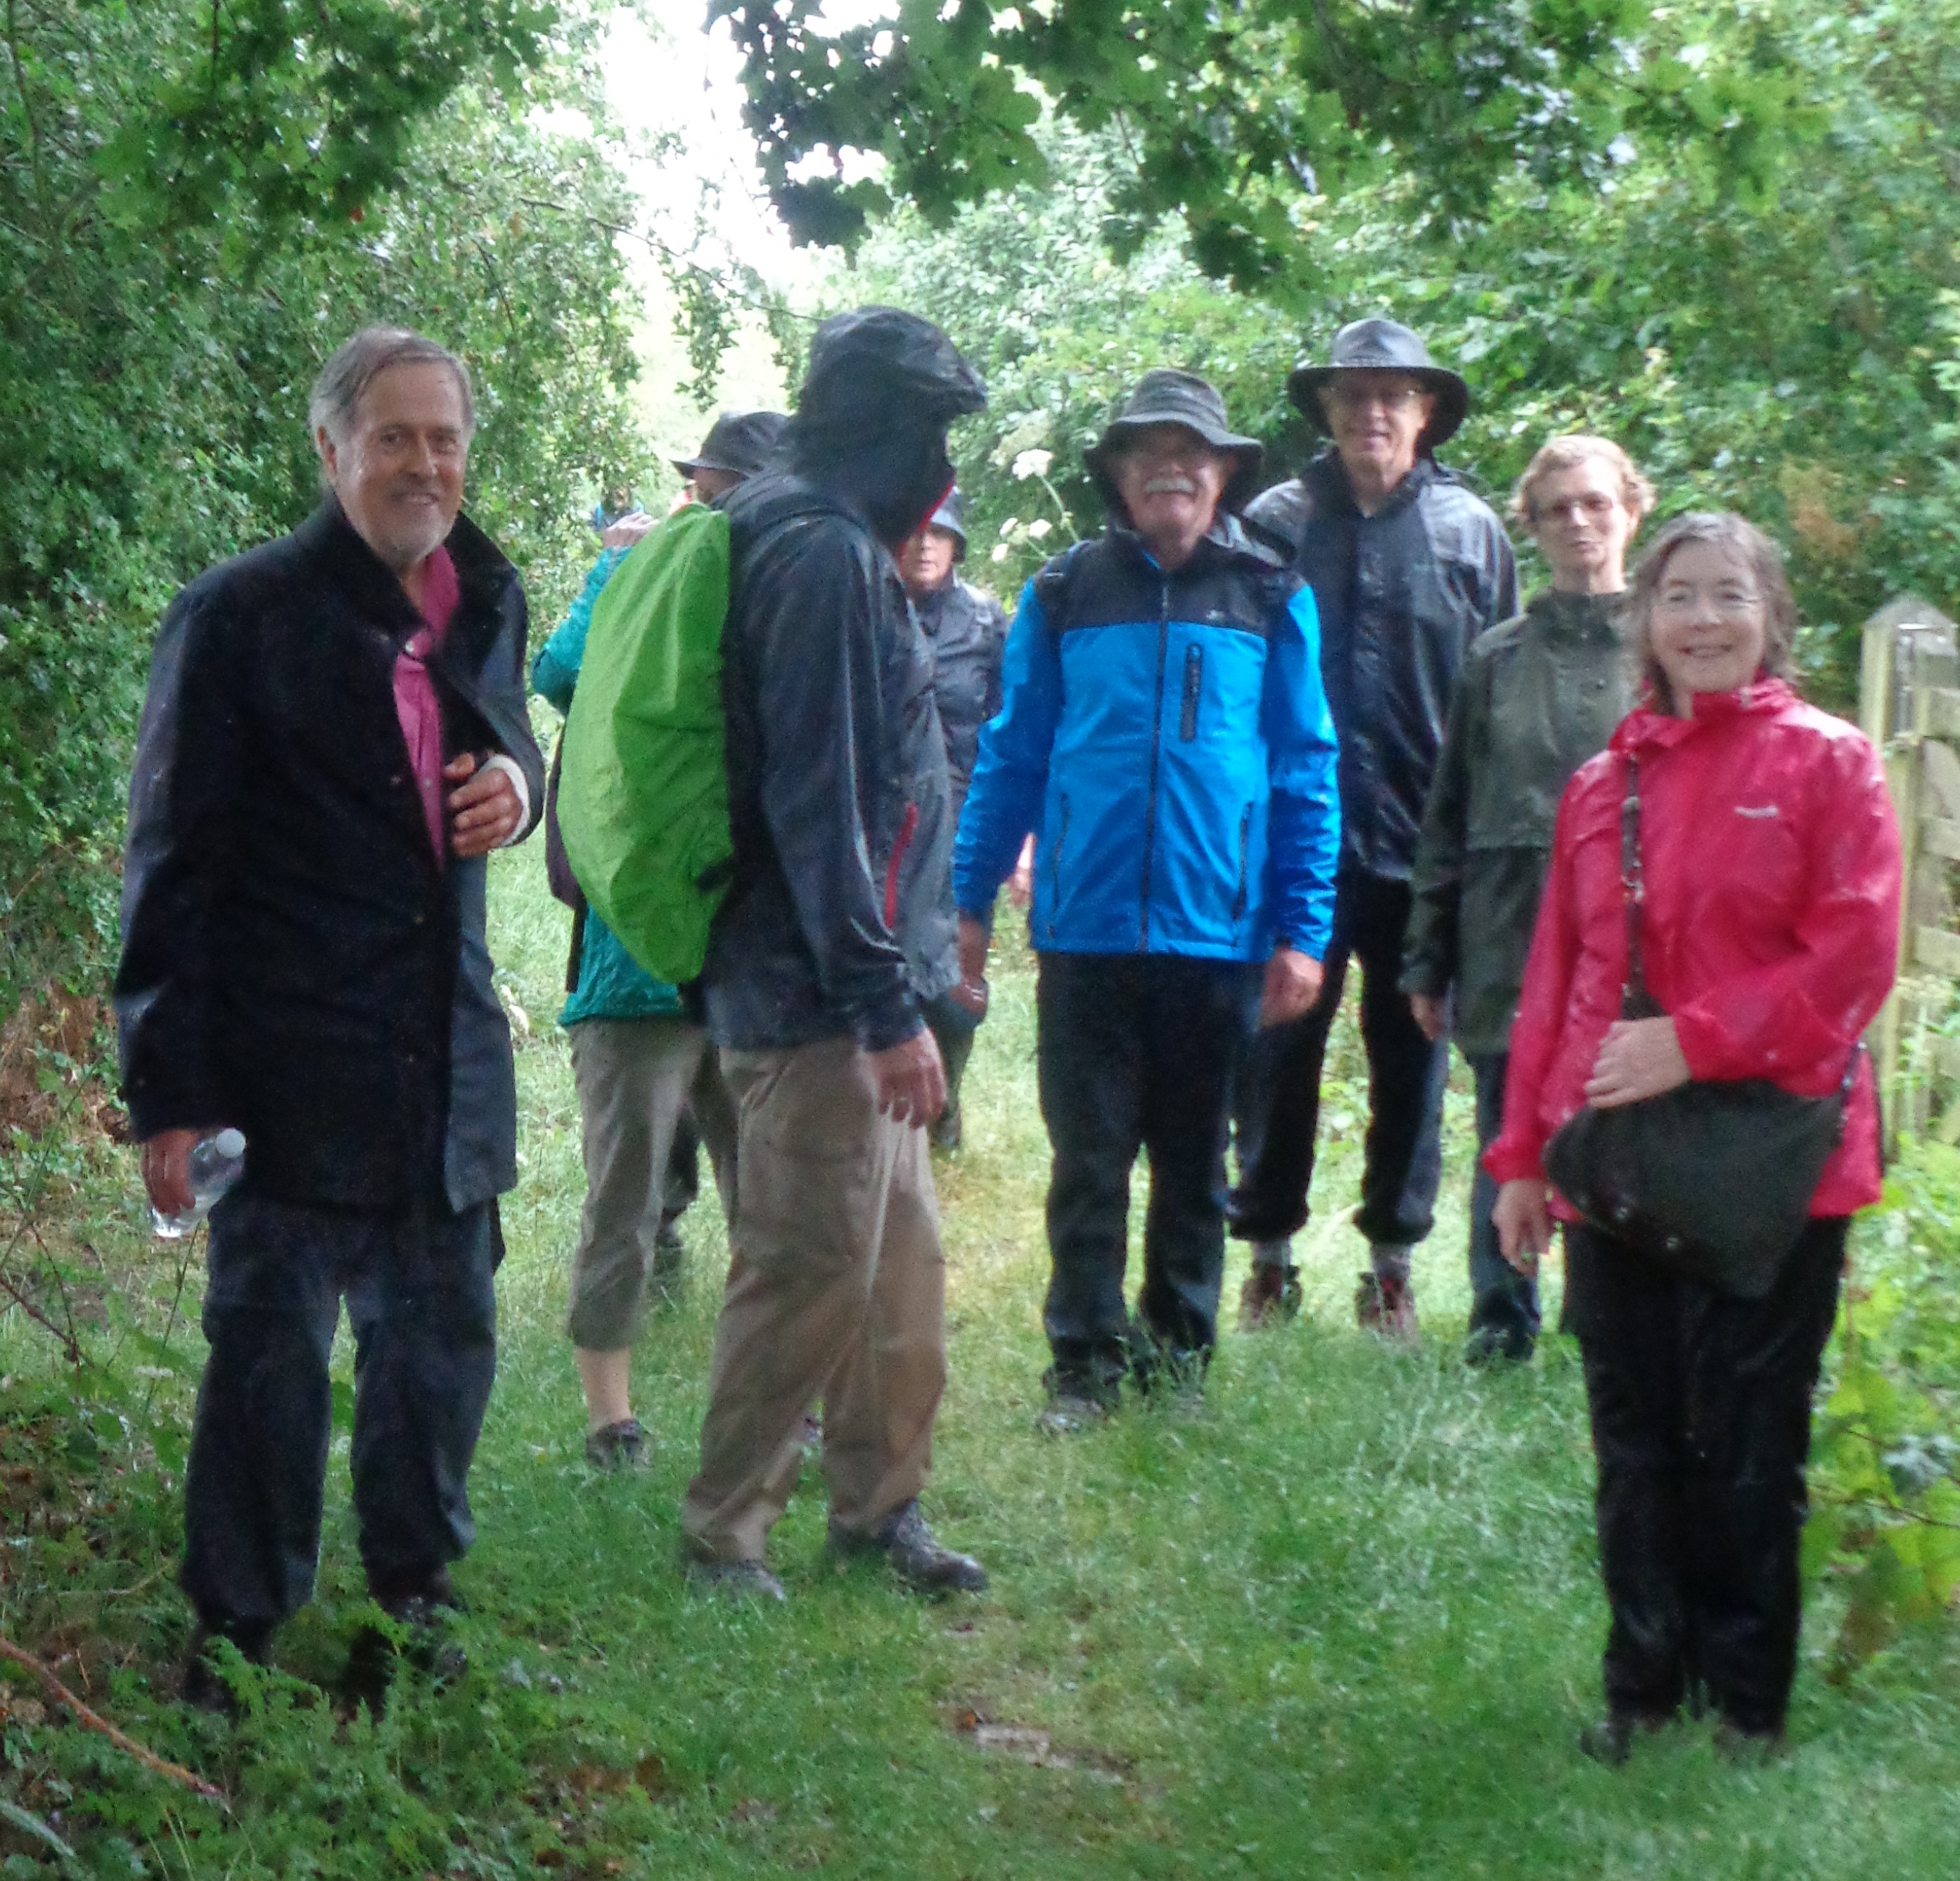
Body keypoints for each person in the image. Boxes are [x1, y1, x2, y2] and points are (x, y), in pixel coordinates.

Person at [115, 326, 544, 1706]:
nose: (426, 462)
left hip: (443, 1062)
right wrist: (170, 1092)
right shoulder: (239, 616)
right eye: (396, 435)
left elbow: (504, 743)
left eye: (445, 437)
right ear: (331, 448)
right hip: (287, 1070)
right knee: (268, 1367)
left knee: (435, 1367)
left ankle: (412, 1611)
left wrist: (517, 791)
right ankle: (234, 1637)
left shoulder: (486, 590)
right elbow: (174, 868)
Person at [1487, 511, 1900, 1761]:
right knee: (1635, 1437)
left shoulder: (1830, 764)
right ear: (1642, 622)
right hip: (1617, 1161)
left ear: (1773, 619)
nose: (1704, 621)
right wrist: (1518, 1160)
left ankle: (1749, 1705)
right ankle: (1641, 1690)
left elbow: (1855, 957)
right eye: (1679, 597)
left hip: (1776, 1166)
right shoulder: (1600, 784)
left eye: (1730, 596)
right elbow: (1556, 982)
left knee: (1746, 1439)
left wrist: (1698, 1037)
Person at [954, 369, 1341, 1427]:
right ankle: (1080, 1362)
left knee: (1189, 1158)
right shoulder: (1063, 592)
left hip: (1217, 931)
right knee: (1087, 1155)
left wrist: (1301, 931)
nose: (1169, 466)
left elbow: (1307, 768)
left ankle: (1177, 1362)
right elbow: (1010, 757)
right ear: (1118, 476)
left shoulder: (1270, 596)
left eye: (1191, 450)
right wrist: (970, 903)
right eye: (1146, 451)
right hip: (1081, 928)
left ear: (1221, 472)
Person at [679, 306, 989, 1600]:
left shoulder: (829, 538)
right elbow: (821, 802)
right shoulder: (814, 554)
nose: (945, 470)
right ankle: (722, 1538)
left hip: (862, 990)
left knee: (898, 1272)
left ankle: (875, 1512)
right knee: (805, 1270)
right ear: (881, 422)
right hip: (816, 999)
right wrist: (881, 1005)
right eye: (933, 432)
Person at [1231, 318, 1518, 1335]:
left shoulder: (1469, 531)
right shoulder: (1269, 521)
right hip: (1288, 846)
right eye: (1351, 394)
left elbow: (1498, 702)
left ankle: (1389, 1264)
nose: (1372, 411)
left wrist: (1483, 854)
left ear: (1426, 409)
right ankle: (1264, 1253)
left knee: (1412, 1057)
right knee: (1273, 1052)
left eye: (1392, 394)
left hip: (1422, 851)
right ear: (1323, 408)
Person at [531, 412, 786, 1469]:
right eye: (701, 483)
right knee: (624, 1201)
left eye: (720, 485)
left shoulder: (788, 590)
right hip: (636, 960)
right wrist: (614, 574)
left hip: (747, 962)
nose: (705, 501)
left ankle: (786, 1409)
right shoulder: (644, 576)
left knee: (770, 1203)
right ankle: (610, 1422)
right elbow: (558, 672)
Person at [1400, 436, 1653, 1363]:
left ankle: (1605, 1314)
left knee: (1616, 1126)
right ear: (1531, 527)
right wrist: (1426, 953)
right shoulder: (1494, 659)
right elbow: (1446, 813)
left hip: (1632, 941)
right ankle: (1498, 1313)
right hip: (1504, 929)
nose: (1577, 522)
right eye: (1556, 508)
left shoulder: (1669, 646)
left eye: (1594, 502)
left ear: (1630, 509)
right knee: (1508, 1116)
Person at [895, 489, 1010, 1150]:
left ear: (959, 543)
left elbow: (1010, 727)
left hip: (967, 820)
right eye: (915, 530)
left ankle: (947, 1102)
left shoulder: (988, 624)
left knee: (956, 977)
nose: (926, 543)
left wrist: (1013, 834)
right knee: (894, 962)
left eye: (941, 533)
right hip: (892, 820)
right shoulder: (871, 608)